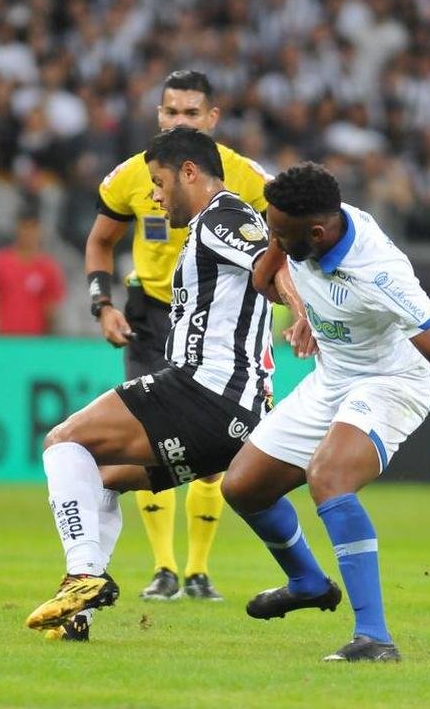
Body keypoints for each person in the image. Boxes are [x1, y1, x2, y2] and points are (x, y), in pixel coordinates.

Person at [26, 127, 297, 641]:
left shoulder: (224, 214)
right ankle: (78, 610)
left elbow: (268, 268)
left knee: (62, 442)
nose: (153, 195)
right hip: (233, 418)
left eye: (158, 182)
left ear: (188, 173)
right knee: (102, 476)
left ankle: (84, 575)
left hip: (205, 392)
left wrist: (301, 316)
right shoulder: (213, 223)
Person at [221, 162, 430, 663]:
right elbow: (263, 278)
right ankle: (306, 583)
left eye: (279, 231)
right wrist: (303, 312)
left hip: (391, 381)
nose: (270, 238)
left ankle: (375, 638)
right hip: (334, 376)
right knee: (242, 487)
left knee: (329, 477)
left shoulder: (378, 272)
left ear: (317, 233)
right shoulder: (301, 229)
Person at [85, 70, 272, 602]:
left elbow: (275, 249)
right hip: (151, 315)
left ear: (213, 118)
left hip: (217, 324)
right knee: (145, 442)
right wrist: (101, 304)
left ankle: (198, 570)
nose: (179, 121)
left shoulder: (245, 177)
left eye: (191, 113)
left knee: (214, 455)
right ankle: (164, 568)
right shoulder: (131, 176)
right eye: (170, 112)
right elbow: (100, 241)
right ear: (158, 115)